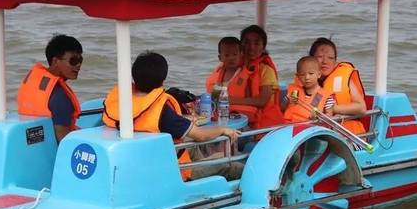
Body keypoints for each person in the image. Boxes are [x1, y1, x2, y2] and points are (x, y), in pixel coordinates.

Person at [102, 52, 242, 181]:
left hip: (141, 162)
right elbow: (201, 136)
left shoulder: (120, 102)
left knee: (189, 143)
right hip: (176, 171)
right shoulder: (162, 111)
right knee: (229, 161)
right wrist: (223, 130)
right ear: (163, 80)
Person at [17, 34, 83, 143]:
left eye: (80, 60)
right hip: (53, 151)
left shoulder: (33, 84)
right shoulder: (60, 97)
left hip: (32, 143)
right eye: (73, 60)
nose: (78, 65)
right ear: (56, 61)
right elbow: (64, 141)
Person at [228, 24, 284, 129]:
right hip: (237, 118)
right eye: (247, 42)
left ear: (263, 48)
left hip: (261, 123)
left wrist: (229, 100)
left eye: (257, 43)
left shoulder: (266, 70)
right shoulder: (233, 67)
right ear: (241, 45)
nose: (251, 47)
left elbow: (262, 101)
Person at [309, 37, 366, 134]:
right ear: (311, 59)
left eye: (330, 58)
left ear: (335, 61)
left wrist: (333, 108)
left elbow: (361, 108)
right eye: (320, 57)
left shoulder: (342, 78)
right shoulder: (305, 80)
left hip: (350, 135)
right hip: (317, 134)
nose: (325, 61)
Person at [205, 36, 258, 122]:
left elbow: (249, 102)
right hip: (221, 116)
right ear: (220, 58)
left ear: (241, 54)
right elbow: (214, 98)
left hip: (240, 118)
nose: (231, 58)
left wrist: (231, 101)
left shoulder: (244, 76)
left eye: (234, 54)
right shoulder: (218, 75)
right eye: (226, 55)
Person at [282, 56, 335, 122]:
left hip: (311, 129)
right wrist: (287, 100)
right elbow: (281, 108)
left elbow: (329, 116)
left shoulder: (327, 97)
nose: (307, 77)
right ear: (298, 76)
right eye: (302, 74)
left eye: (311, 74)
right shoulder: (292, 92)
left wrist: (319, 118)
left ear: (319, 74)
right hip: (289, 127)